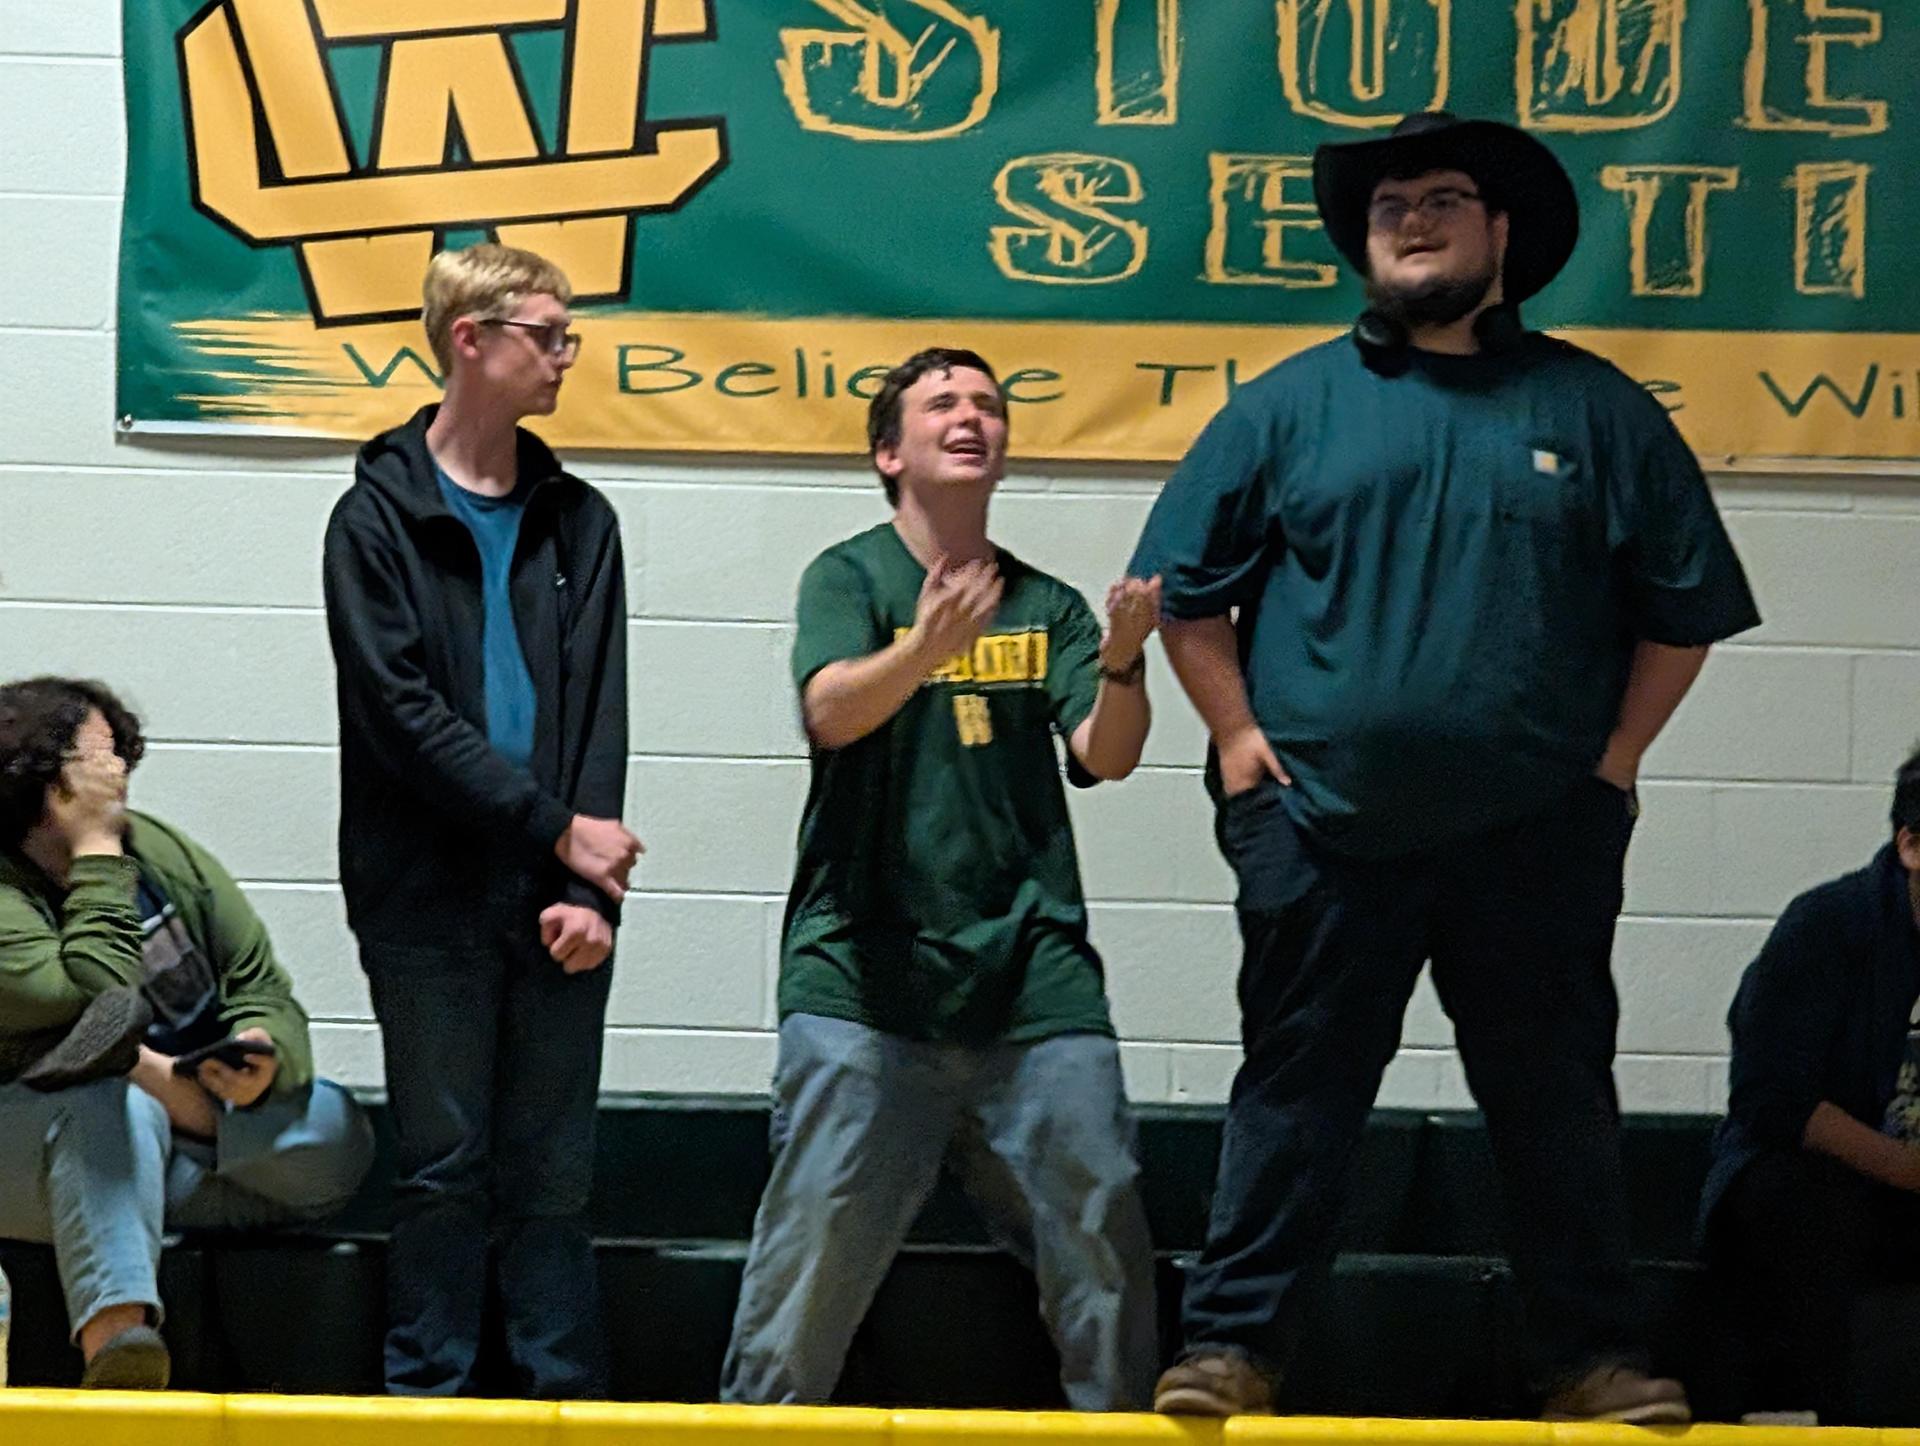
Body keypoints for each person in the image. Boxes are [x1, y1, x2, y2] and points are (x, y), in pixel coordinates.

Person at [1129, 112, 1760, 1422]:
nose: (1412, 221)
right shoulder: (1284, 405)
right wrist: (1241, 745)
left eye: (1443, 200)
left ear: (1503, 233)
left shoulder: (1598, 410)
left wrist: (1618, 761)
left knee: (1557, 1111)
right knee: (1296, 1099)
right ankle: (1230, 1350)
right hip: (1314, 828)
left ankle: (1592, 1363)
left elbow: (1681, 610)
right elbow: (1184, 597)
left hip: (1540, 833)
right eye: (1389, 208)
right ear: (1366, 246)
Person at [719, 348, 1162, 1410]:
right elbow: (831, 712)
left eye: (990, 405)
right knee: (811, 1258)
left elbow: (1107, 754)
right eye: (944, 403)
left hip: (1033, 975)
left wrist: (1125, 662)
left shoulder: (1045, 602)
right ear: (890, 450)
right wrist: (923, 645)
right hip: (861, 977)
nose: (973, 416)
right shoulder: (849, 577)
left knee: (1104, 1235)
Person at [322, 244, 638, 1398]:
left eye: (567, 335)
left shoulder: (579, 519)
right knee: (445, 1166)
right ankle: (428, 1399)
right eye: (548, 333)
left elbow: (599, 710)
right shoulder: (374, 520)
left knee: (555, 1174)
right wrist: (560, 831)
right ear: (472, 339)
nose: (565, 356)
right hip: (426, 894)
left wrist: (589, 886)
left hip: (560, 890)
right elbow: (402, 722)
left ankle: (567, 1400)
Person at [0, 676, 374, 1389]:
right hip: (35, 1132)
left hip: (173, 1139)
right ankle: (119, 1344)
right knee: (112, 1110)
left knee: (332, 1128)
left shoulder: (162, 850)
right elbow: (89, 994)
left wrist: (265, 1050)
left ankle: (123, 1202)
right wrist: (99, 857)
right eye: (98, 757)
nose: (120, 772)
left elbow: (256, 977)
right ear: (42, 778)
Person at [1700, 746, 1920, 1424]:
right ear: (1912, 845)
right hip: (1822, 1183)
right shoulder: (1827, 925)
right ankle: (1795, 1422)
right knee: (1798, 1198)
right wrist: (1904, 1168)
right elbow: (1771, 1102)